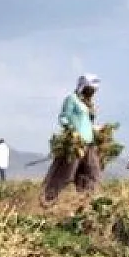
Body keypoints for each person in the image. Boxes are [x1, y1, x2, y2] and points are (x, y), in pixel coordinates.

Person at [42, 74, 104, 204]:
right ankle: (48, 199)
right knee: (66, 174)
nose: (92, 93)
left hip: (89, 145)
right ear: (83, 87)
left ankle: (86, 203)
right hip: (76, 145)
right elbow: (63, 117)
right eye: (90, 89)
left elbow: (86, 124)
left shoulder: (87, 104)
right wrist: (72, 130)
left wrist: (97, 129)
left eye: (94, 90)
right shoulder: (72, 99)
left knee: (92, 172)